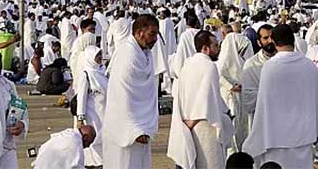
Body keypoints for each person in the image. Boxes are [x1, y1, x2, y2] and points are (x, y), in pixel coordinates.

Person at [243, 24, 318, 169]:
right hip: (303, 138)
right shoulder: (309, 66)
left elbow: (263, 107)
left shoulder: (270, 68)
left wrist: (256, 137)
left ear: (273, 41)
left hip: (274, 139)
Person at [168, 30, 234, 169]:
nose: (218, 49)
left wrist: (188, 123)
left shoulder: (187, 64)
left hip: (188, 124)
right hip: (206, 124)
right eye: (215, 46)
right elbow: (207, 99)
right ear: (205, 48)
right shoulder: (209, 66)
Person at [103, 14, 160, 169]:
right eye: (152, 34)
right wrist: (134, 129)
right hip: (126, 130)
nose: (155, 39)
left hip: (143, 126)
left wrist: (145, 126)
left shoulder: (145, 54)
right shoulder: (127, 55)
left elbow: (146, 93)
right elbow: (122, 96)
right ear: (140, 33)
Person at [72, 46, 108, 166]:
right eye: (97, 56)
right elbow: (81, 97)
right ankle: (93, 162)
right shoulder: (86, 74)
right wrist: (80, 117)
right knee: (93, 137)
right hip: (91, 112)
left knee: (103, 136)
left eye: (100, 55)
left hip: (103, 110)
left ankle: (101, 160)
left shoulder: (102, 71)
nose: (99, 58)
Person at [32, 125, 97, 169]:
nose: (87, 146)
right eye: (89, 143)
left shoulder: (66, 134)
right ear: (86, 137)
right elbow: (76, 166)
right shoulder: (76, 143)